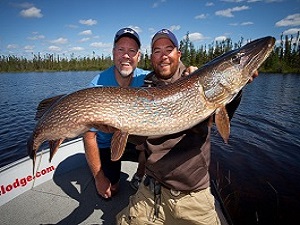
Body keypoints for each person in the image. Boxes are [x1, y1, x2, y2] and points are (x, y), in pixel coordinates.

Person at [117, 29, 258, 225]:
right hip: (150, 190)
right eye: (157, 51)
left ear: (178, 54)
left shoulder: (195, 79)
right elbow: (140, 140)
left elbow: (218, 117)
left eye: (169, 49)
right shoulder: (145, 90)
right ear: (151, 57)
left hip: (192, 198)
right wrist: (117, 128)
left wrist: (237, 91)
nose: (163, 56)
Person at [83, 27, 149, 199]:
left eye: (131, 51)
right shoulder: (97, 86)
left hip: (135, 139)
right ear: (113, 53)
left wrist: (188, 71)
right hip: (106, 142)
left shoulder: (149, 79)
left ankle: (141, 174)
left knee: (157, 141)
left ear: (139, 56)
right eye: (121, 49)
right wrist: (98, 178)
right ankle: (113, 177)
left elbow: (173, 79)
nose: (126, 56)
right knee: (112, 191)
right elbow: (89, 136)